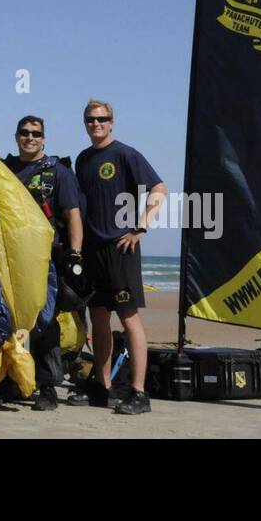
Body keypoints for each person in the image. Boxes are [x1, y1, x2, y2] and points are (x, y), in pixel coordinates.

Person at [74, 99, 166, 416]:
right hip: (92, 251)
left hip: (120, 248)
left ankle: (139, 393)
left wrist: (141, 226)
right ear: (84, 123)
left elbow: (160, 188)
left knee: (129, 319)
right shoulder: (83, 159)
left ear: (112, 122)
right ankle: (101, 387)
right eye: (90, 119)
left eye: (102, 119)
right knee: (99, 320)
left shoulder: (125, 154)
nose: (96, 124)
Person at [1, 115, 83, 411]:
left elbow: (73, 214)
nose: (30, 138)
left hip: (45, 258)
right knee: (9, 319)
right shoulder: (5, 170)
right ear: (16, 136)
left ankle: (47, 387)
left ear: (44, 138)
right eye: (24, 132)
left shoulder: (57, 172)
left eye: (36, 133)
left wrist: (75, 253)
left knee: (45, 320)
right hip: (10, 257)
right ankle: (11, 381)